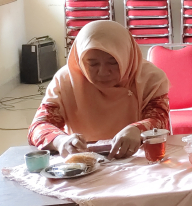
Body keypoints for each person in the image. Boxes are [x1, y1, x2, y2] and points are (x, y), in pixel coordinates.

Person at [28, 21, 170, 159]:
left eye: (113, 62)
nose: (103, 72)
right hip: (85, 158)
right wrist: (60, 141)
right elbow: (38, 126)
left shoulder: (149, 78)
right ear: (80, 60)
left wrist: (137, 130)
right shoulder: (66, 80)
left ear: (127, 57)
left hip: (140, 156)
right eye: (93, 64)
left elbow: (159, 119)